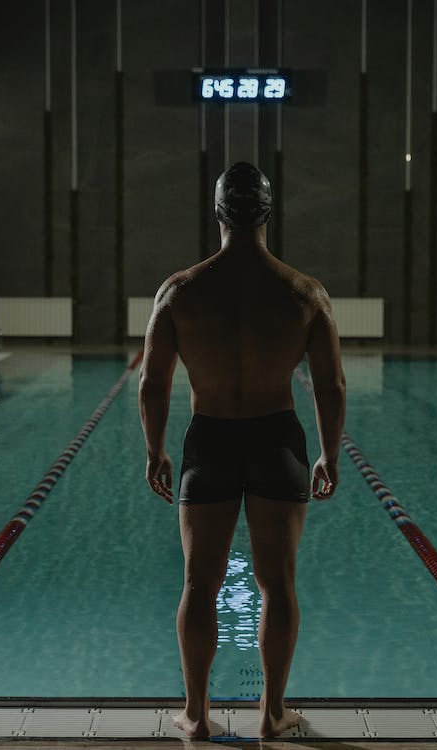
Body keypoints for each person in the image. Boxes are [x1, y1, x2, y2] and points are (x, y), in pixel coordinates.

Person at [138, 162, 346, 739]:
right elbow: (331, 386)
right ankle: (272, 715)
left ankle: (198, 716)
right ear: (269, 212)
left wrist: (155, 449)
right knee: (277, 583)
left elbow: (152, 383)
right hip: (277, 438)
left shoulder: (180, 290)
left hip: (209, 441)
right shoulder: (303, 292)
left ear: (217, 212)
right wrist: (329, 453)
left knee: (198, 584)